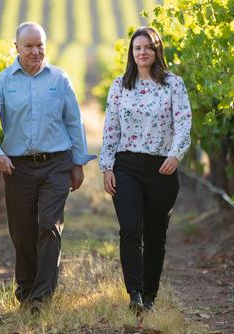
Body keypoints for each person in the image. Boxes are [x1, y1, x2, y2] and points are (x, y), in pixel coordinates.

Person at [0, 22, 95, 311]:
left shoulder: (59, 79)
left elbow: (73, 122)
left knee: (48, 224)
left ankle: (41, 297)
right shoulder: (1, 83)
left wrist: (78, 163)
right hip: (17, 167)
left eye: (40, 45)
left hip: (56, 163)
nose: (35, 51)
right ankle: (26, 289)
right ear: (15, 47)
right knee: (22, 230)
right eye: (29, 46)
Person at [99, 26, 192, 312]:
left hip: (161, 167)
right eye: (137, 48)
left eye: (148, 47)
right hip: (126, 165)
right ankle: (135, 294)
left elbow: (184, 122)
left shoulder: (173, 84)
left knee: (155, 234)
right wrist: (107, 167)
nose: (142, 52)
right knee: (130, 228)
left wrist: (176, 155)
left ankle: (150, 296)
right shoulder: (120, 85)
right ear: (131, 52)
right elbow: (111, 128)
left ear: (157, 51)